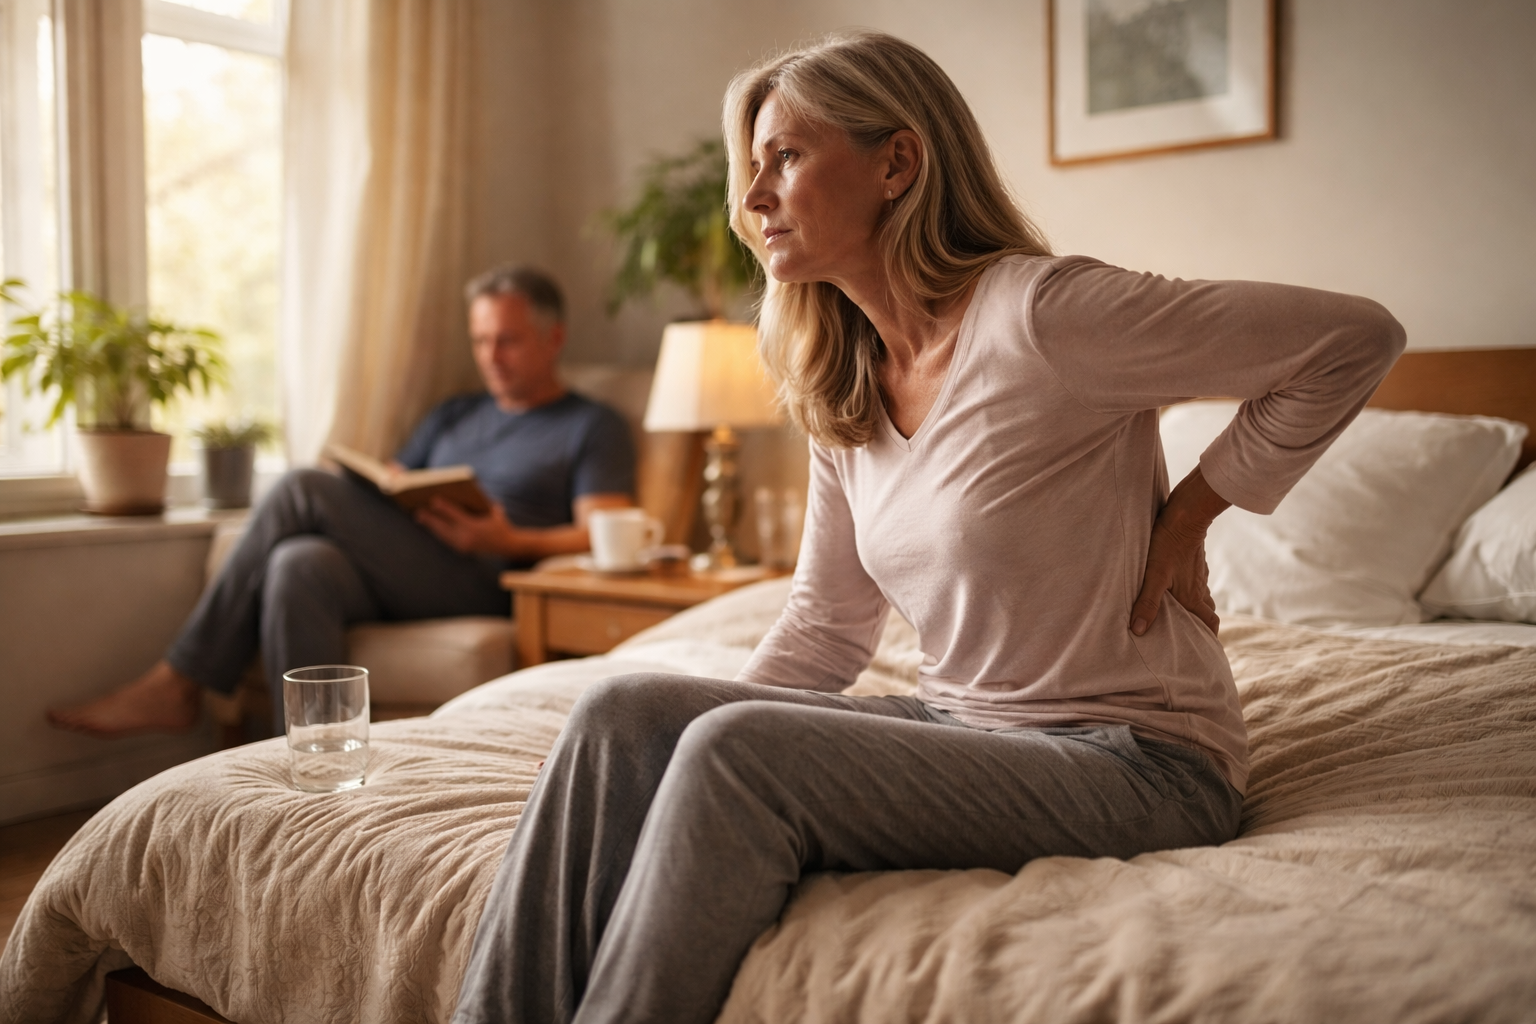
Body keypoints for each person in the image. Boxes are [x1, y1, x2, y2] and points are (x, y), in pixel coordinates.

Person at [452, 33, 1405, 1024]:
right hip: (968, 727)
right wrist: (687, 730)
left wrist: (1195, 510)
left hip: (1140, 759)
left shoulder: (1043, 314)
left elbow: (1353, 340)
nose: (752, 198)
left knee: (737, 756)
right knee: (622, 714)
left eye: (785, 157)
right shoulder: (843, 376)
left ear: (898, 163)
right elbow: (826, 625)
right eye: (752, 169)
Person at [49, 265, 636, 739]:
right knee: (298, 564)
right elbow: (400, 481)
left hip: (485, 574)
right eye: (480, 340)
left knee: (302, 486)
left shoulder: (590, 425)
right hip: (407, 561)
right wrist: (389, 485)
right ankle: (311, 760)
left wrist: (508, 539)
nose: (490, 356)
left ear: (554, 338)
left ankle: (180, 680)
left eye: (507, 340)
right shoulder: (455, 412)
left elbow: (602, 529)